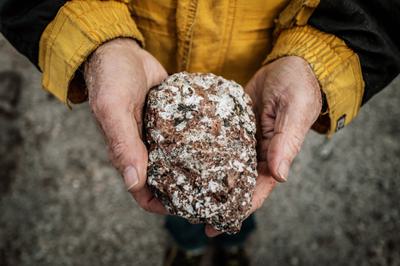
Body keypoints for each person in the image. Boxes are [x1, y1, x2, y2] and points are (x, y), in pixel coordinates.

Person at [1, 0, 399, 265]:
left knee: (248, 192)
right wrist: (99, 41)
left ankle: (233, 241)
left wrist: (322, 58)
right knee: (172, 204)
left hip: (262, 70)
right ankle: (188, 245)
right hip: (143, 61)